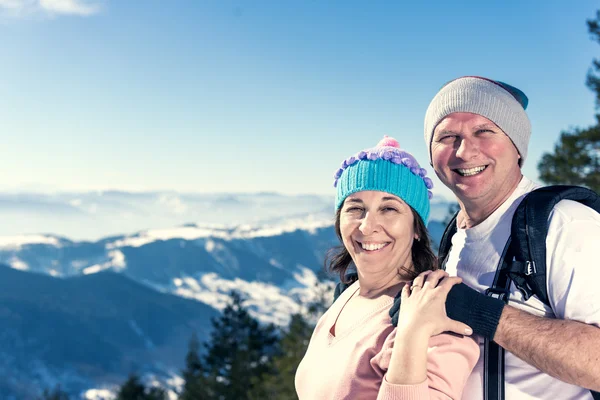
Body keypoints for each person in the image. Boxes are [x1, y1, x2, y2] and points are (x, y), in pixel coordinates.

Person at [421, 76, 600, 398]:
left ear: (517, 147)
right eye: (448, 136)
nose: (465, 151)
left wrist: (481, 313)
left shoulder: (564, 224)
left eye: (484, 131)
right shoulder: (455, 236)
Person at [295, 136, 478, 399]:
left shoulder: (436, 314)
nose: (367, 226)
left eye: (389, 209)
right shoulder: (350, 293)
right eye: (355, 208)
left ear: (416, 228)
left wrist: (411, 334)